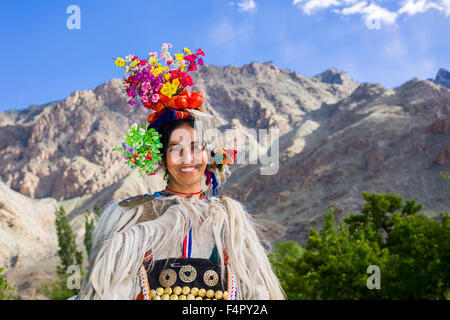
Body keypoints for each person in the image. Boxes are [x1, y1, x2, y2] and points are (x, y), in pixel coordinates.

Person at [76, 44, 284, 300]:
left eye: (196, 147)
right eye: (176, 148)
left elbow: (257, 292)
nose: (188, 159)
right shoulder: (132, 215)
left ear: (209, 155)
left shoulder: (230, 220)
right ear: (161, 159)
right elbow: (110, 290)